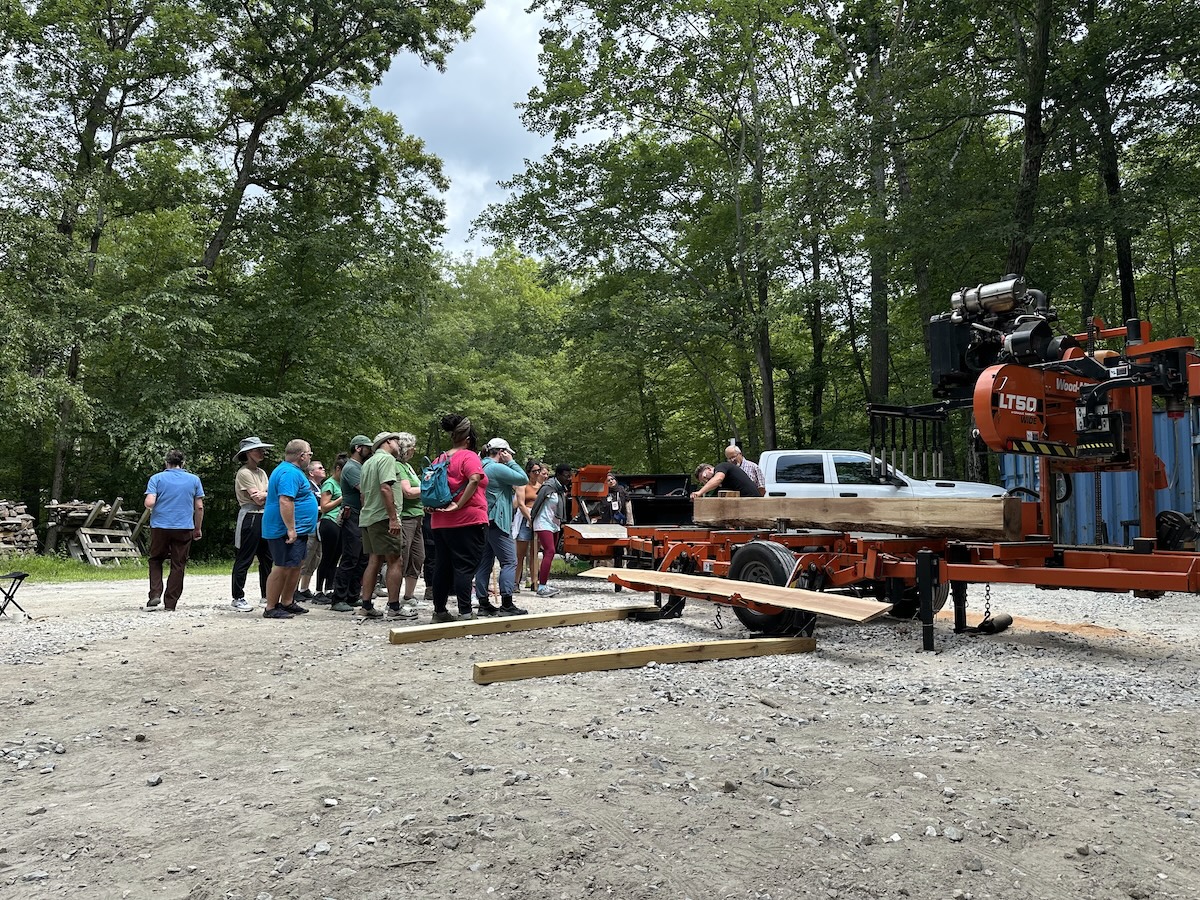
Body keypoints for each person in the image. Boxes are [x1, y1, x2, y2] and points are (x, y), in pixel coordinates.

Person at [428, 414, 488, 623]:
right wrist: (459, 504)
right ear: (469, 438)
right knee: (465, 567)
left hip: (439, 522)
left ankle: (440, 611)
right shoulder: (468, 456)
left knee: (442, 567)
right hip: (467, 520)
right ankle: (465, 613)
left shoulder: (440, 459)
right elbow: (474, 479)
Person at [261, 439, 319, 619]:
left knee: (295, 565)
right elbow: (285, 500)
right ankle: (271, 607)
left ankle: (287, 601)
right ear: (302, 456)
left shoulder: (293, 471)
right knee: (282, 566)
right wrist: (291, 529)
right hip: (284, 529)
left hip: (298, 530)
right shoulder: (288, 472)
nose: (310, 457)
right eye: (309, 454)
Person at [473, 438, 529, 616]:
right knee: (510, 561)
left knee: (484, 564)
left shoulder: (481, 465)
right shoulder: (496, 468)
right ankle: (507, 603)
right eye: (507, 452)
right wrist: (511, 461)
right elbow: (523, 478)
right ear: (501, 452)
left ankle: (483, 604)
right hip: (498, 520)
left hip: (483, 520)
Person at [143, 449, 204, 612]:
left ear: (166, 463)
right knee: (178, 564)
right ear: (183, 463)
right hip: (184, 527)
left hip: (160, 526)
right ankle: (171, 603)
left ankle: (155, 594)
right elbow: (199, 506)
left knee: (156, 559)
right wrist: (197, 528)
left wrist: (151, 502)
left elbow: (149, 502)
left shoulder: (156, 478)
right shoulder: (194, 479)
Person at [357, 431, 405, 620]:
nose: (398, 445)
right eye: (396, 441)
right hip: (383, 518)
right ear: (387, 442)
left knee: (374, 560)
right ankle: (394, 607)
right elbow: (386, 487)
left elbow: (362, 495)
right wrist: (393, 518)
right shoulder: (386, 460)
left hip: (368, 517)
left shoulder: (368, 463)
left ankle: (366, 605)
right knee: (395, 560)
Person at [230, 436, 273, 612]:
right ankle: (237, 596)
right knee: (245, 557)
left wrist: (264, 494)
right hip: (250, 517)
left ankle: (267, 594)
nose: (262, 453)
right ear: (248, 453)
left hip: (264, 516)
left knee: (267, 558)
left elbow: (266, 496)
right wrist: (266, 494)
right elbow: (257, 498)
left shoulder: (261, 472)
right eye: (258, 450)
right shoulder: (244, 473)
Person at [331, 435, 372, 613]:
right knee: (350, 557)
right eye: (367, 447)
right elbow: (365, 490)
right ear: (358, 448)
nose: (370, 450)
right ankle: (338, 599)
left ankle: (352, 595)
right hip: (353, 516)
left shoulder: (360, 466)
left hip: (360, 516)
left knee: (362, 558)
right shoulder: (351, 468)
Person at [393, 433, 425, 618]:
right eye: (413, 447)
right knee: (401, 558)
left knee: (418, 556)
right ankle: (394, 599)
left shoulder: (408, 466)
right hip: (405, 518)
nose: (414, 450)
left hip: (418, 516)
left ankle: (409, 595)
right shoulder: (398, 466)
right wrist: (429, 489)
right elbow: (408, 491)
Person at [529, 463, 571, 597]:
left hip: (554, 523)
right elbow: (537, 505)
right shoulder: (548, 487)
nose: (568, 479)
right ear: (558, 475)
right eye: (566, 476)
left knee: (551, 553)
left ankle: (543, 583)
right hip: (542, 522)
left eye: (570, 476)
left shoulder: (561, 489)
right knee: (550, 551)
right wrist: (531, 519)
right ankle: (541, 587)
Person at [314, 453, 347, 603]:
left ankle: (329, 589)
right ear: (338, 469)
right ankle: (318, 590)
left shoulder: (342, 484)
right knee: (327, 557)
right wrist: (341, 499)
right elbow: (325, 507)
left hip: (340, 523)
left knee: (335, 558)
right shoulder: (330, 484)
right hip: (329, 522)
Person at [295, 458, 326, 603]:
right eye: (320, 468)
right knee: (305, 558)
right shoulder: (308, 487)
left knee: (315, 559)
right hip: (309, 526)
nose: (323, 470)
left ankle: (304, 588)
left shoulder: (321, 487)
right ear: (311, 472)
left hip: (319, 526)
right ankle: (293, 589)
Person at [514, 460, 544, 591]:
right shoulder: (523, 485)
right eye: (534, 471)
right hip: (525, 518)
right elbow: (520, 504)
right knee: (520, 553)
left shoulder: (541, 486)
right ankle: (515, 581)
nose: (537, 473)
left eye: (539, 471)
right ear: (529, 472)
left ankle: (534, 581)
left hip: (538, 518)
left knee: (534, 553)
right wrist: (529, 518)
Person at [691, 459, 761, 498]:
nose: (706, 481)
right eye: (703, 481)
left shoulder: (721, 466)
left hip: (751, 499)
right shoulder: (720, 486)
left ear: (709, 469)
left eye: (705, 477)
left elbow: (718, 479)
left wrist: (700, 492)